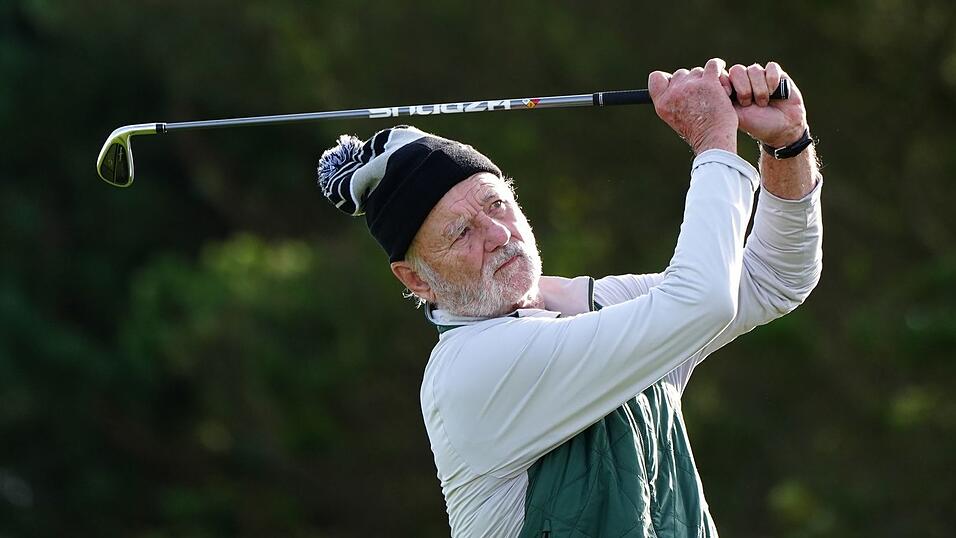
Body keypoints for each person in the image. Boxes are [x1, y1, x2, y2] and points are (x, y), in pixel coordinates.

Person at [316, 58, 822, 537]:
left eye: (498, 204)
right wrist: (714, 142)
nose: (497, 233)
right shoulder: (470, 369)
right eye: (461, 232)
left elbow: (771, 279)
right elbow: (703, 301)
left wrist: (786, 145)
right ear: (416, 280)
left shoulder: (591, 307)